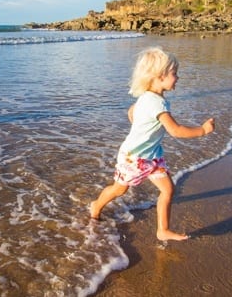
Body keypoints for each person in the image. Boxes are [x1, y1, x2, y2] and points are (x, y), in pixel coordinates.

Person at [89, 46, 215, 241]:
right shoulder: (157, 103)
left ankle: (162, 230)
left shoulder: (146, 97)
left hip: (153, 155)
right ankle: (96, 205)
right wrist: (203, 130)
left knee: (167, 189)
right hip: (134, 158)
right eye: (174, 73)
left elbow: (131, 112)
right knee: (119, 189)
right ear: (159, 76)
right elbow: (175, 130)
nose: (178, 77)